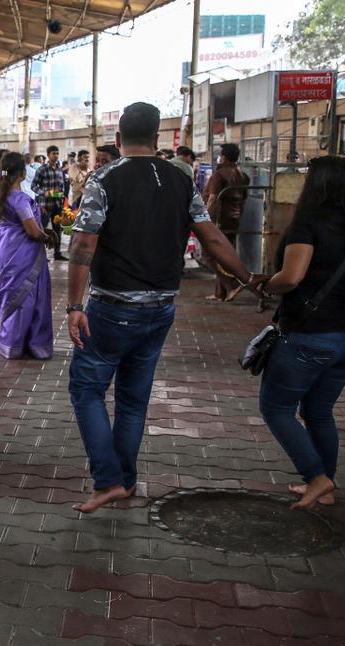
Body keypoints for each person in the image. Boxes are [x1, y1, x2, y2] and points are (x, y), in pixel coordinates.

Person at [66, 103, 258, 514]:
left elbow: (83, 245)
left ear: (118, 141)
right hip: (162, 309)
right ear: (157, 141)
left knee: (86, 390)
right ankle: (127, 480)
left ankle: (108, 481)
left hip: (113, 307)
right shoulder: (180, 179)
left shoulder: (104, 179)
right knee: (134, 400)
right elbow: (214, 239)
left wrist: (73, 306)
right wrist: (247, 279)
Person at [257, 157, 345, 510]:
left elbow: (292, 277)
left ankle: (316, 476)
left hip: (310, 336)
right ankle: (327, 486)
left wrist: (265, 285)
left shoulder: (307, 225)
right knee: (319, 412)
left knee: (276, 408)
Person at [0, 152, 53, 360]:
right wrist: (48, 237)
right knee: (30, 296)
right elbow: (32, 231)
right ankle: (35, 344)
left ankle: (11, 342)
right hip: (25, 253)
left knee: (13, 295)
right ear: (22, 174)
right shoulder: (21, 200)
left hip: (5, 249)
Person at [203, 143, 251, 301]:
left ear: (223, 157)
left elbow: (212, 197)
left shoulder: (219, 175)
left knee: (210, 255)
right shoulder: (243, 175)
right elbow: (244, 199)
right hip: (234, 219)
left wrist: (203, 215)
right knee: (226, 253)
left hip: (218, 219)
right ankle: (220, 293)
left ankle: (231, 284)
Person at [32, 145, 68, 261]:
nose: (56, 155)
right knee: (42, 229)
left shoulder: (59, 170)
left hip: (57, 205)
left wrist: (61, 195)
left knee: (58, 229)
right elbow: (33, 186)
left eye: (57, 153)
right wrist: (44, 192)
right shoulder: (42, 169)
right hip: (45, 206)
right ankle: (40, 254)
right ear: (48, 155)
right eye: (53, 153)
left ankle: (57, 253)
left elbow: (61, 187)